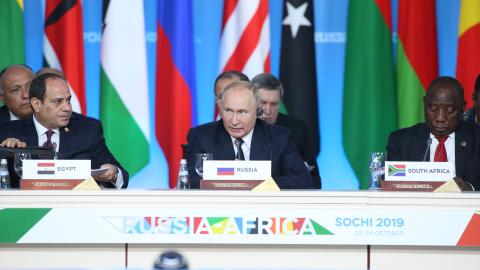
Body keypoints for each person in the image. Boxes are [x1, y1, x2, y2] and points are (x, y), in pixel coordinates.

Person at [0, 73, 128, 189]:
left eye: (68, 100)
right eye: (58, 102)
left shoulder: (87, 131)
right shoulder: (8, 132)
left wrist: (113, 173)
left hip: (75, 209)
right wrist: (4, 152)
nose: (67, 108)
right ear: (36, 104)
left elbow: (121, 175)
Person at [186, 81, 314, 189]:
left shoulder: (279, 138)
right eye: (229, 110)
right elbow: (194, 182)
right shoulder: (201, 137)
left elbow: (303, 180)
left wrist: (258, 187)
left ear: (257, 111)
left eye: (242, 112)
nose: (234, 121)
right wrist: (241, 185)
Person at [387, 76, 480, 191]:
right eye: (433, 108)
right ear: (424, 103)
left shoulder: (477, 139)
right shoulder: (401, 141)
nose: (440, 118)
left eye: (450, 110)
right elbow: (390, 185)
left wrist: (469, 189)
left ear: (462, 108)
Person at [251, 73, 321, 189]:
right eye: (262, 103)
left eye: (273, 104)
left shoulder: (297, 130)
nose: (268, 110)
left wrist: (268, 186)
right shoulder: (238, 127)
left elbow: (313, 180)